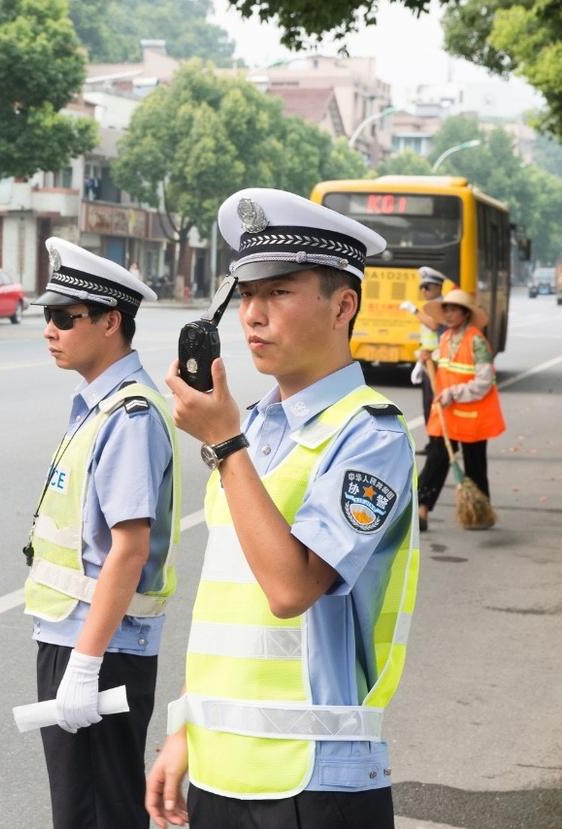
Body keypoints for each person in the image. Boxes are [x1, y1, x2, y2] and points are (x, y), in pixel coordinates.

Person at [149, 188, 419, 829]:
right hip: (219, 767)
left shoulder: (370, 434)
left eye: (278, 292)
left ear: (343, 305)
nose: (253, 315)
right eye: (246, 295)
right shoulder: (251, 428)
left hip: (314, 779)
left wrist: (224, 443)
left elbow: (289, 589)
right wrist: (184, 729)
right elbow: (230, 605)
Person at [24, 237, 180, 828]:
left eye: (66, 318)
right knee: (86, 810)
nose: (50, 330)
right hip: (84, 637)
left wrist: (85, 664)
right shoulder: (99, 405)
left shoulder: (129, 416)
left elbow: (129, 548)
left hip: (101, 647)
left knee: (96, 814)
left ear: (111, 322)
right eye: (48, 317)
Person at [416, 288, 505, 531]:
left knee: (475, 464)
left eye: (454, 309)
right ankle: (421, 509)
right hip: (446, 414)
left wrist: (453, 394)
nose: (448, 314)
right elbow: (440, 368)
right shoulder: (445, 338)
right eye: (446, 309)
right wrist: (427, 361)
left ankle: (479, 511)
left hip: (472, 415)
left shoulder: (477, 341)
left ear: (465, 314)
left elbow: (484, 382)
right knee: (436, 460)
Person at [402, 266, 447, 421]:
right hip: (428, 360)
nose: (423, 291)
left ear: (438, 287)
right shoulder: (429, 306)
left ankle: (436, 436)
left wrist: (414, 310)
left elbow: (433, 325)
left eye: (427, 287)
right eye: (421, 287)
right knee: (427, 402)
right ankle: (432, 436)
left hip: (438, 362)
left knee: (434, 402)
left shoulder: (441, 305)